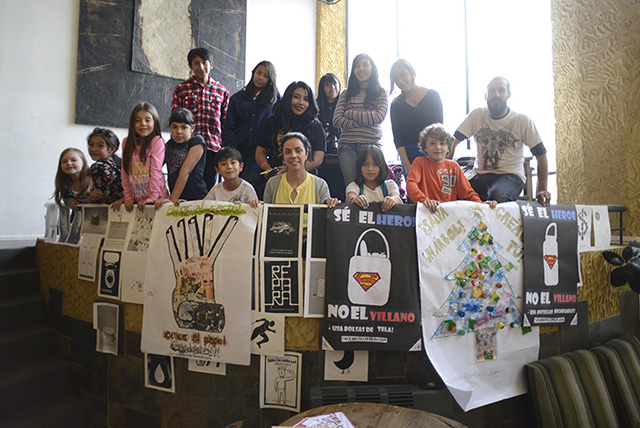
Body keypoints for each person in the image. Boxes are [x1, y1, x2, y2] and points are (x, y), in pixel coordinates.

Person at [449, 76, 551, 206]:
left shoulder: (522, 121)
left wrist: (542, 189)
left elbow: (541, 155)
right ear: (486, 95)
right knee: (453, 190)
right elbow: (453, 141)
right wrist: (443, 169)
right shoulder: (477, 115)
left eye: (501, 90)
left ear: (509, 94)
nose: (496, 94)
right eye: (492, 91)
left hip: (510, 176)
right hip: (480, 174)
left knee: (497, 195)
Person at [171, 47, 230, 190]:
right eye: (196, 63)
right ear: (190, 66)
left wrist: (224, 148)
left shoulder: (222, 91)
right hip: (188, 147)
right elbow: (175, 118)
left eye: (204, 62)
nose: (201, 67)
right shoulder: (181, 89)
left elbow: (225, 122)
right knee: (188, 186)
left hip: (212, 147)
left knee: (208, 188)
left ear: (211, 65)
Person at [407, 124, 496, 213]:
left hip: (449, 215)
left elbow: (467, 193)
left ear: (448, 148)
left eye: (442, 143)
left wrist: (481, 205)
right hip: (426, 213)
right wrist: (424, 200)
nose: (437, 147)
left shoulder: (454, 166)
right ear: (425, 147)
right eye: (432, 143)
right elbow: (411, 185)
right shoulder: (419, 162)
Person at [333, 54, 388, 185]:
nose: (361, 68)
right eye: (357, 66)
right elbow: (337, 120)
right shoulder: (346, 94)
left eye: (365, 64)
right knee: (353, 187)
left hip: (372, 145)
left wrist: (350, 113)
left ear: (372, 68)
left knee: (373, 186)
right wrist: (367, 119)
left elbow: (378, 117)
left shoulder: (381, 93)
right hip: (347, 146)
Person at [222, 60, 279, 187]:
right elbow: (229, 126)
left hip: (259, 152)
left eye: (266, 76)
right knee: (234, 183)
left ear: (271, 80)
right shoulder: (238, 98)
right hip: (237, 149)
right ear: (253, 73)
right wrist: (231, 152)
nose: (260, 78)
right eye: (258, 73)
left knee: (248, 183)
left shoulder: (275, 99)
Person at [255, 81, 326, 183]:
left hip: (305, 177)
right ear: (288, 98)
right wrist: (268, 168)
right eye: (296, 97)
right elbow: (260, 152)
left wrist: (295, 169)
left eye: (306, 99)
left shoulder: (315, 125)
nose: (301, 102)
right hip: (275, 176)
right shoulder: (271, 122)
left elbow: (319, 157)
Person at [389, 59, 443, 176]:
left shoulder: (433, 96)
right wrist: (407, 165)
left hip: (432, 151)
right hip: (409, 155)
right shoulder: (396, 104)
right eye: (396, 78)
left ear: (412, 72)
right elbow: (398, 137)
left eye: (403, 74)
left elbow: (439, 130)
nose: (400, 80)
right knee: (414, 188)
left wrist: (435, 158)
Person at [113, 102, 169, 212]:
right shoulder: (126, 142)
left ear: (154, 122)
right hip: (136, 200)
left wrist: (152, 197)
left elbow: (156, 171)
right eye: (138, 120)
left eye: (147, 120)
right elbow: (125, 171)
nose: (143, 124)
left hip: (157, 199)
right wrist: (128, 196)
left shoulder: (156, 141)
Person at [263, 132, 339, 207]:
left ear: (306, 154)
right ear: (283, 156)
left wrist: (331, 204)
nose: (293, 156)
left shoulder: (320, 185)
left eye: (298, 151)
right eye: (287, 152)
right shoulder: (272, 184)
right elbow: (265, 213)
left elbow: (325, 213)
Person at [154, 108, 207, 209]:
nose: (178, 131)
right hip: (177, 198)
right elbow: (155, 167)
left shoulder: (196, 142)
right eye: (174, 127)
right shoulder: (169, 145)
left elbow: (185, 172)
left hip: (196, 198)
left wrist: (172, 200)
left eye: (184, 127)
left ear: (192, 128)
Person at [346, 145, 402, 213]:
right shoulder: (354, 185)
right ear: (359, 166)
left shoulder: (390, 184)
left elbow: (397, 198)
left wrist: (392, 200)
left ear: (381, 166)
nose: (370, 168)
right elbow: (350, 197)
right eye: (365, 164)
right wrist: (354, 200)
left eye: (375, 164)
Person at [86, 128, 123, 204]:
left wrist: (92, 196)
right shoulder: (118, 162)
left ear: (112, 149)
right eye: (91, 144)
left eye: (100, 146)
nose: (94, 149)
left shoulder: (98, 167)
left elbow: (103, 198)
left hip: (114, 208)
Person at [316, 73, 342, 154]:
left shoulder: (344, 105)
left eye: (334, 84)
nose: (332, 87)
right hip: (320, 145)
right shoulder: (315, 106)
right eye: (327, 85)